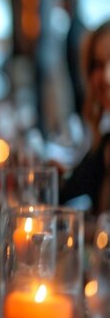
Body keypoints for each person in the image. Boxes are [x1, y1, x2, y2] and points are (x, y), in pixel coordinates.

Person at [60, 20, 110, 214]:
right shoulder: (104, 143)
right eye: (98, 64)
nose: (106, 76)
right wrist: (55, 176)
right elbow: (64, 195)